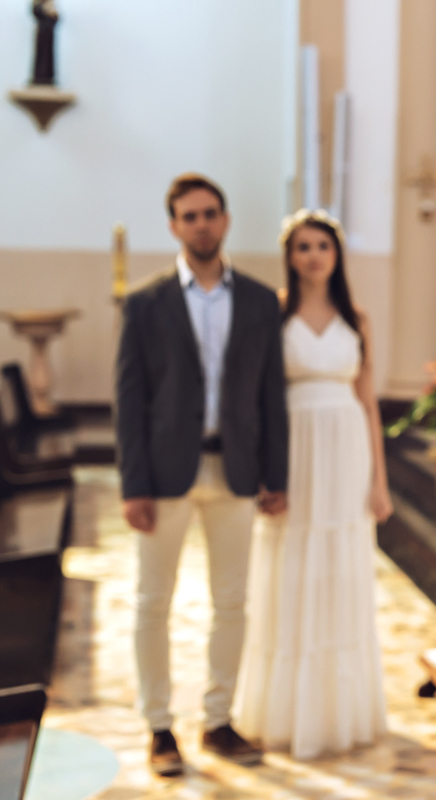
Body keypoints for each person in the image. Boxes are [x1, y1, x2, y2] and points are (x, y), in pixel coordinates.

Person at [116, 173, 288, 776]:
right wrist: (133, 485)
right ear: (173, 226)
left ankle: (218, 720)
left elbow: (272, 396)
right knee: (152, 602)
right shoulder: (145, 302)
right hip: (165, 472)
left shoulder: (261, 301)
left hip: (236, 468)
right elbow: (129, 399)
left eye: (210, 213)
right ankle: (159, 726)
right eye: (189, 216)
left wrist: (277, 474)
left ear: (226, 220)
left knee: (233, 601)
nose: (202, 224)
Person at [233, 208, 392, 760]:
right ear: (290, 256)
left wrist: (380, 482)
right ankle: (285, 711)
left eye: (322, 245)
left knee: (340, 568)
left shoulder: (357, 318)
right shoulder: (272, 314)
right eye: (303, 246)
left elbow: (368, 402)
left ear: (336, 254)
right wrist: (263, 472)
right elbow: (257, 400)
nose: (314, 256)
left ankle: (338, 710)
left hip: (346, 449)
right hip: (293, 449)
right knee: (291, 565)